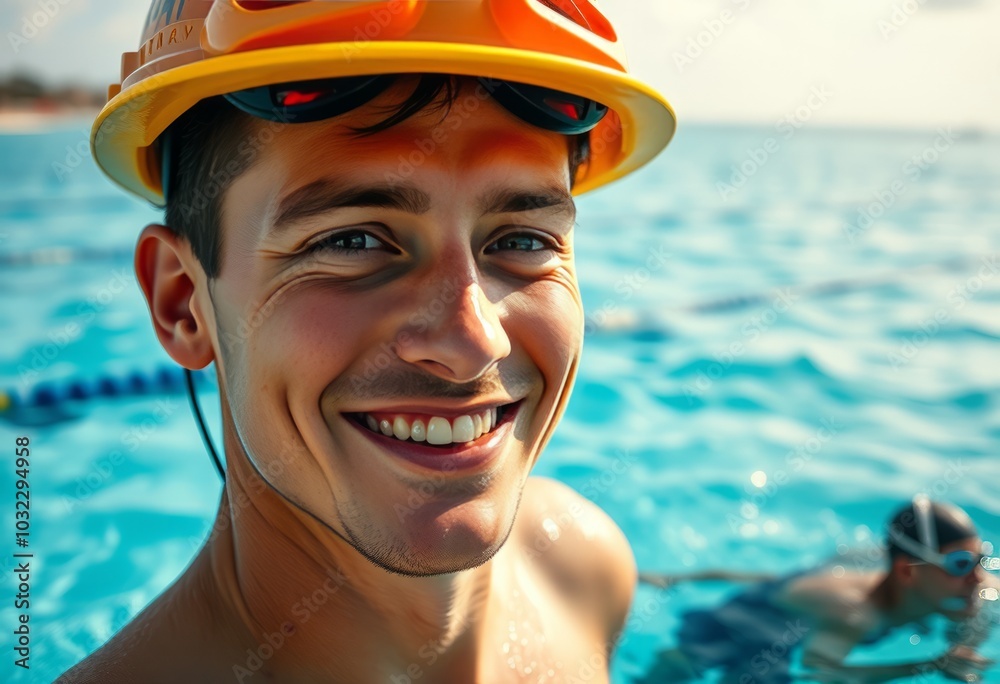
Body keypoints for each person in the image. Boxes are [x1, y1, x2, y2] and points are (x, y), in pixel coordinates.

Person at [61, 1, 677, 682]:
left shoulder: (581, 571)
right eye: (351, 242)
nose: (473, 341)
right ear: (183, 303)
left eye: (523, 241)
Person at [638, 496, 998, 683]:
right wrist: (927, 665)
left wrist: (966, 644)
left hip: (799, 593)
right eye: (960, 565)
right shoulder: (852, 612)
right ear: (906, 571)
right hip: (747, 624)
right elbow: (823, 674)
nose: (978, 577)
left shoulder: (975, 588)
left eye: (981, 559)